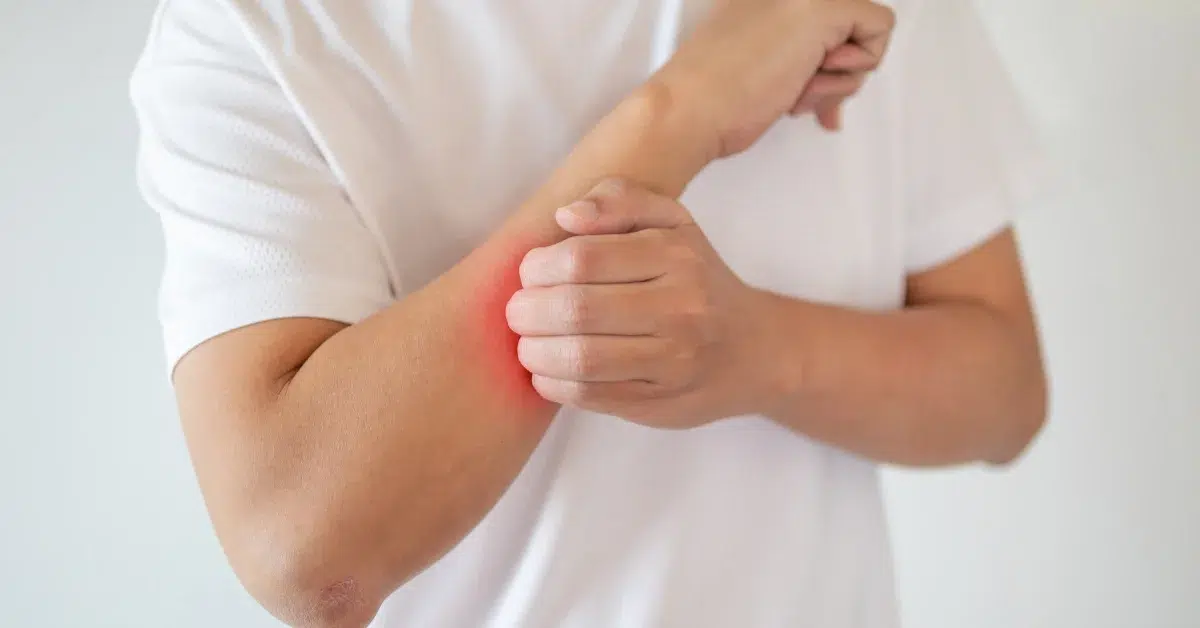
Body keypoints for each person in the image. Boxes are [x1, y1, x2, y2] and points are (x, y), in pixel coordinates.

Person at [130, 0, 1049, 626]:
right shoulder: (255, 27)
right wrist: (673, 120)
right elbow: (306, 552)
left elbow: (1007, 393)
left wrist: (758, 352)